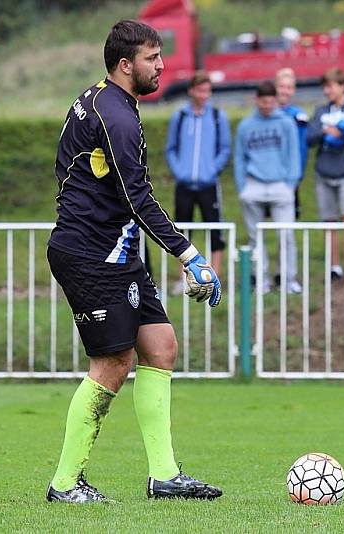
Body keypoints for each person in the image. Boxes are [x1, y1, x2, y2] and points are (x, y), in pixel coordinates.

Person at [46, 20, 223, 503]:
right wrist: (190, 254)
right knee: (112, 362)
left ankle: (164, 475)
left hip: (118, 251)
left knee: (160, 346)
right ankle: (64, 482)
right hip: (91, 252)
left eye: (160, 55)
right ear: (125, 65)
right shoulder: (117, 116)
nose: (162, 65)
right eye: (152, 58)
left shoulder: (105, 100)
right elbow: (137, 197)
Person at [235, 81, 302, 294]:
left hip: (281, 184)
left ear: (275, 101)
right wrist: (242, 186)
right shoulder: (246, 125)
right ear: (257, 101)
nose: (266, 106)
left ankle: (288, 279)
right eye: (263, 102)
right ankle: (261, 280)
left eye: (270, 102)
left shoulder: (286, 123)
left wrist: (291, 183)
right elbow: (239, 158)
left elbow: (294, 155)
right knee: (256, 237)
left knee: (286, 234)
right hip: (253, 184)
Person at [166, 70, 231, 291]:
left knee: (214, 228)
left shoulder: (216, 116)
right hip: (184, 184)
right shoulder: (180, 116)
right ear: (191, 90)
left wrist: (211, 171)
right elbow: (171, 148)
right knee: (182, 232)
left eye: (207, 90)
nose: (204, 94)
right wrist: (179, 171)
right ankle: (183, 279)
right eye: (200, 90)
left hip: (208, 184)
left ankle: (215, 276)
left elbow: (224, 149)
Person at [307, 68, 344, 280]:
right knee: (329, 221)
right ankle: (334, 267)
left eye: (330, 86)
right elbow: (311, 136)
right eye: (325, 86)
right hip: (324, 173)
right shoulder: (321, 111)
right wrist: (325, 131)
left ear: (343, 86)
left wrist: (338, 132)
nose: (326, 90)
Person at [275, 68, 309, 220]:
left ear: (293, 90)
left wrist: (297, 175)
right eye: (282, 86)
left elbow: (302, 148)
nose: (285, 91)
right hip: (268, 175)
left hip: (289, 176)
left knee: (288, 219)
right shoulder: (265, 113)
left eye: (289, 87)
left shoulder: (298, 116)